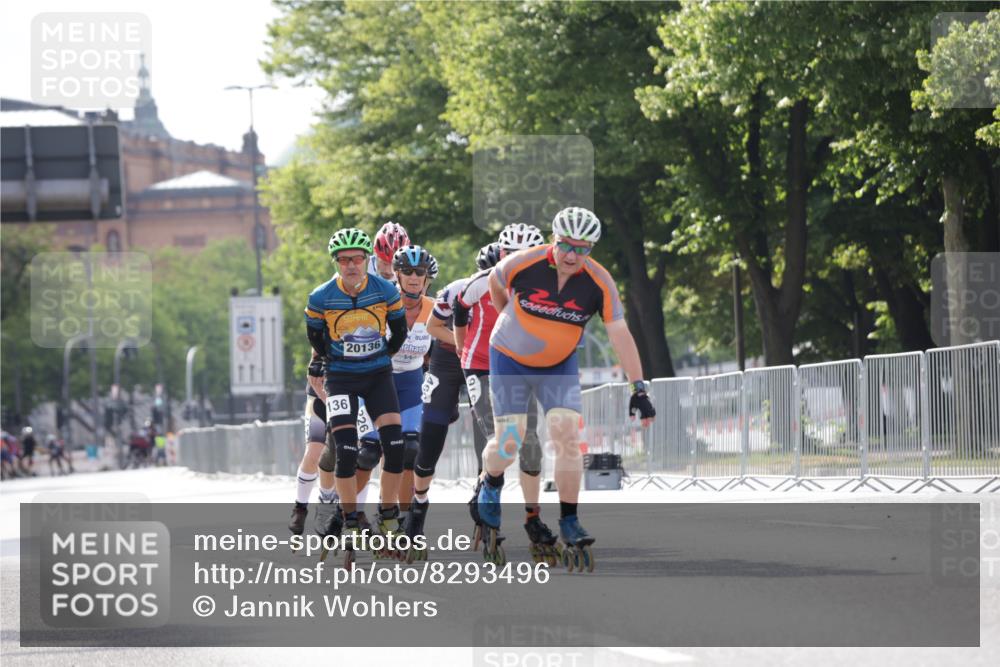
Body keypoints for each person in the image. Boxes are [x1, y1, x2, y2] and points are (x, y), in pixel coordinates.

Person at [478, 207, 656, 571]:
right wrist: (512, 319)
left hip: (558, 365)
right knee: (511, 440)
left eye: (583, 248)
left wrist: (638, 388)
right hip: (510, 359)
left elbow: (619, 333)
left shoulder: (599, 281)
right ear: (553, 239)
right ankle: (490, 478)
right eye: (565, 246)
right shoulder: (524, 263)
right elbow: (496, 282)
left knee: (567, 434)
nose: (572, 256)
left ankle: (569, 518)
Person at [454, 225, 558, 564]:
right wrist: (460, 350)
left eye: (523, 255)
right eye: (507, 253)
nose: (514, 260)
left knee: (530, 445)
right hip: (481, 367)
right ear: (499, 253)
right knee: (501, 439)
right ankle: (490, 487)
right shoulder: (483, 281)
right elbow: (457, 309)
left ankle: (532, 518)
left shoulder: (545, 284)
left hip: (517, 367)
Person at [305, 227, 409, 564]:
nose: (351, 265)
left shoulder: (383, 290)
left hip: (378, 375)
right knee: (347, 452)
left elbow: (400, 331)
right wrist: (327, 361)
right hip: (342, 379)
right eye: (344, 260)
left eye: (357, 259)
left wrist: (381, 357)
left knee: (395, 445)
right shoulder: (321, 297)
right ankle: (350, 517)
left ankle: (388, 511)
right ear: (336, 262)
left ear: (367, 261)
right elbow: (316, 336)